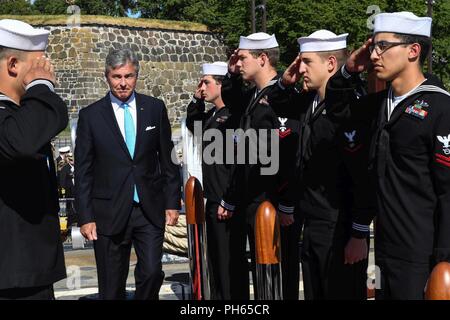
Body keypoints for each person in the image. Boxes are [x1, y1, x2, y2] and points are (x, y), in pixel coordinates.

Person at [326, 11, 450, 299]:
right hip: (382, 250)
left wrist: (444, 262)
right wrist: (349, 69)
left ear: (413, 51)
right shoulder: (379, 106)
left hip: (422, 256)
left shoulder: (440, 108)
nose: (375, 54)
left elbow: (447, 192)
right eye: (372, 47)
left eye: (382, 46)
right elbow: (337, 109)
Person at [75, 48, 181, 300]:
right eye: (117, 76)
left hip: (148, 208)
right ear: (107, 77)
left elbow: (168, 158)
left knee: (153, 271)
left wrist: (172, 202)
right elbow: (83, 171)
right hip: (108, 212)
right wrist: (86, 216)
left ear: (137, 76)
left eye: (129, 76)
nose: (123, 83)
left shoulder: (155, 108)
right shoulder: (90, 116)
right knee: (111, 286)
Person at [277, 30, 373, 299]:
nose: (301, 68)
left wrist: (359, 232)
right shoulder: (310, 101)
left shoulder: (348, 107)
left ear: (331, 63)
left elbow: (362, 175)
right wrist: (285, 83)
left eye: (307, 62)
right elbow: (277, 105)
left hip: (339, 225)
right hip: (313, 221)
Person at [218, 33, 301, 299]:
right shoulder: (256, 94)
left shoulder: (282, 96)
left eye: (243, 58)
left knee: (278, 276)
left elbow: (289, 154)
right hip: (255, 199)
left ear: (262, 58)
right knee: (263, 278)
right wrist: (231, 75)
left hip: (273, 202)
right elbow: (232, 101)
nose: (238, 63)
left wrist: (287, 203)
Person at [0, 19, 68, 300]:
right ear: (13, 64)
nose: (48, 70)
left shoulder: (16, 118)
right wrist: (42, 86)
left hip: (26, 271)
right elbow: (22, 142)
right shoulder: (12, 121)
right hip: (12, 277)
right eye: (39, 64)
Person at [186, 61, 245, 299]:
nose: (202, 87)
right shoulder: (212, 115)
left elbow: (238, 162)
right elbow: (193, 125)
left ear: (221, 85)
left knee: (229, 262)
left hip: (227, 199)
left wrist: (229, 199)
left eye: (207, 82)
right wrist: (196, 100)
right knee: (217, 261)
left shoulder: (233, 116)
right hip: (213, 197)